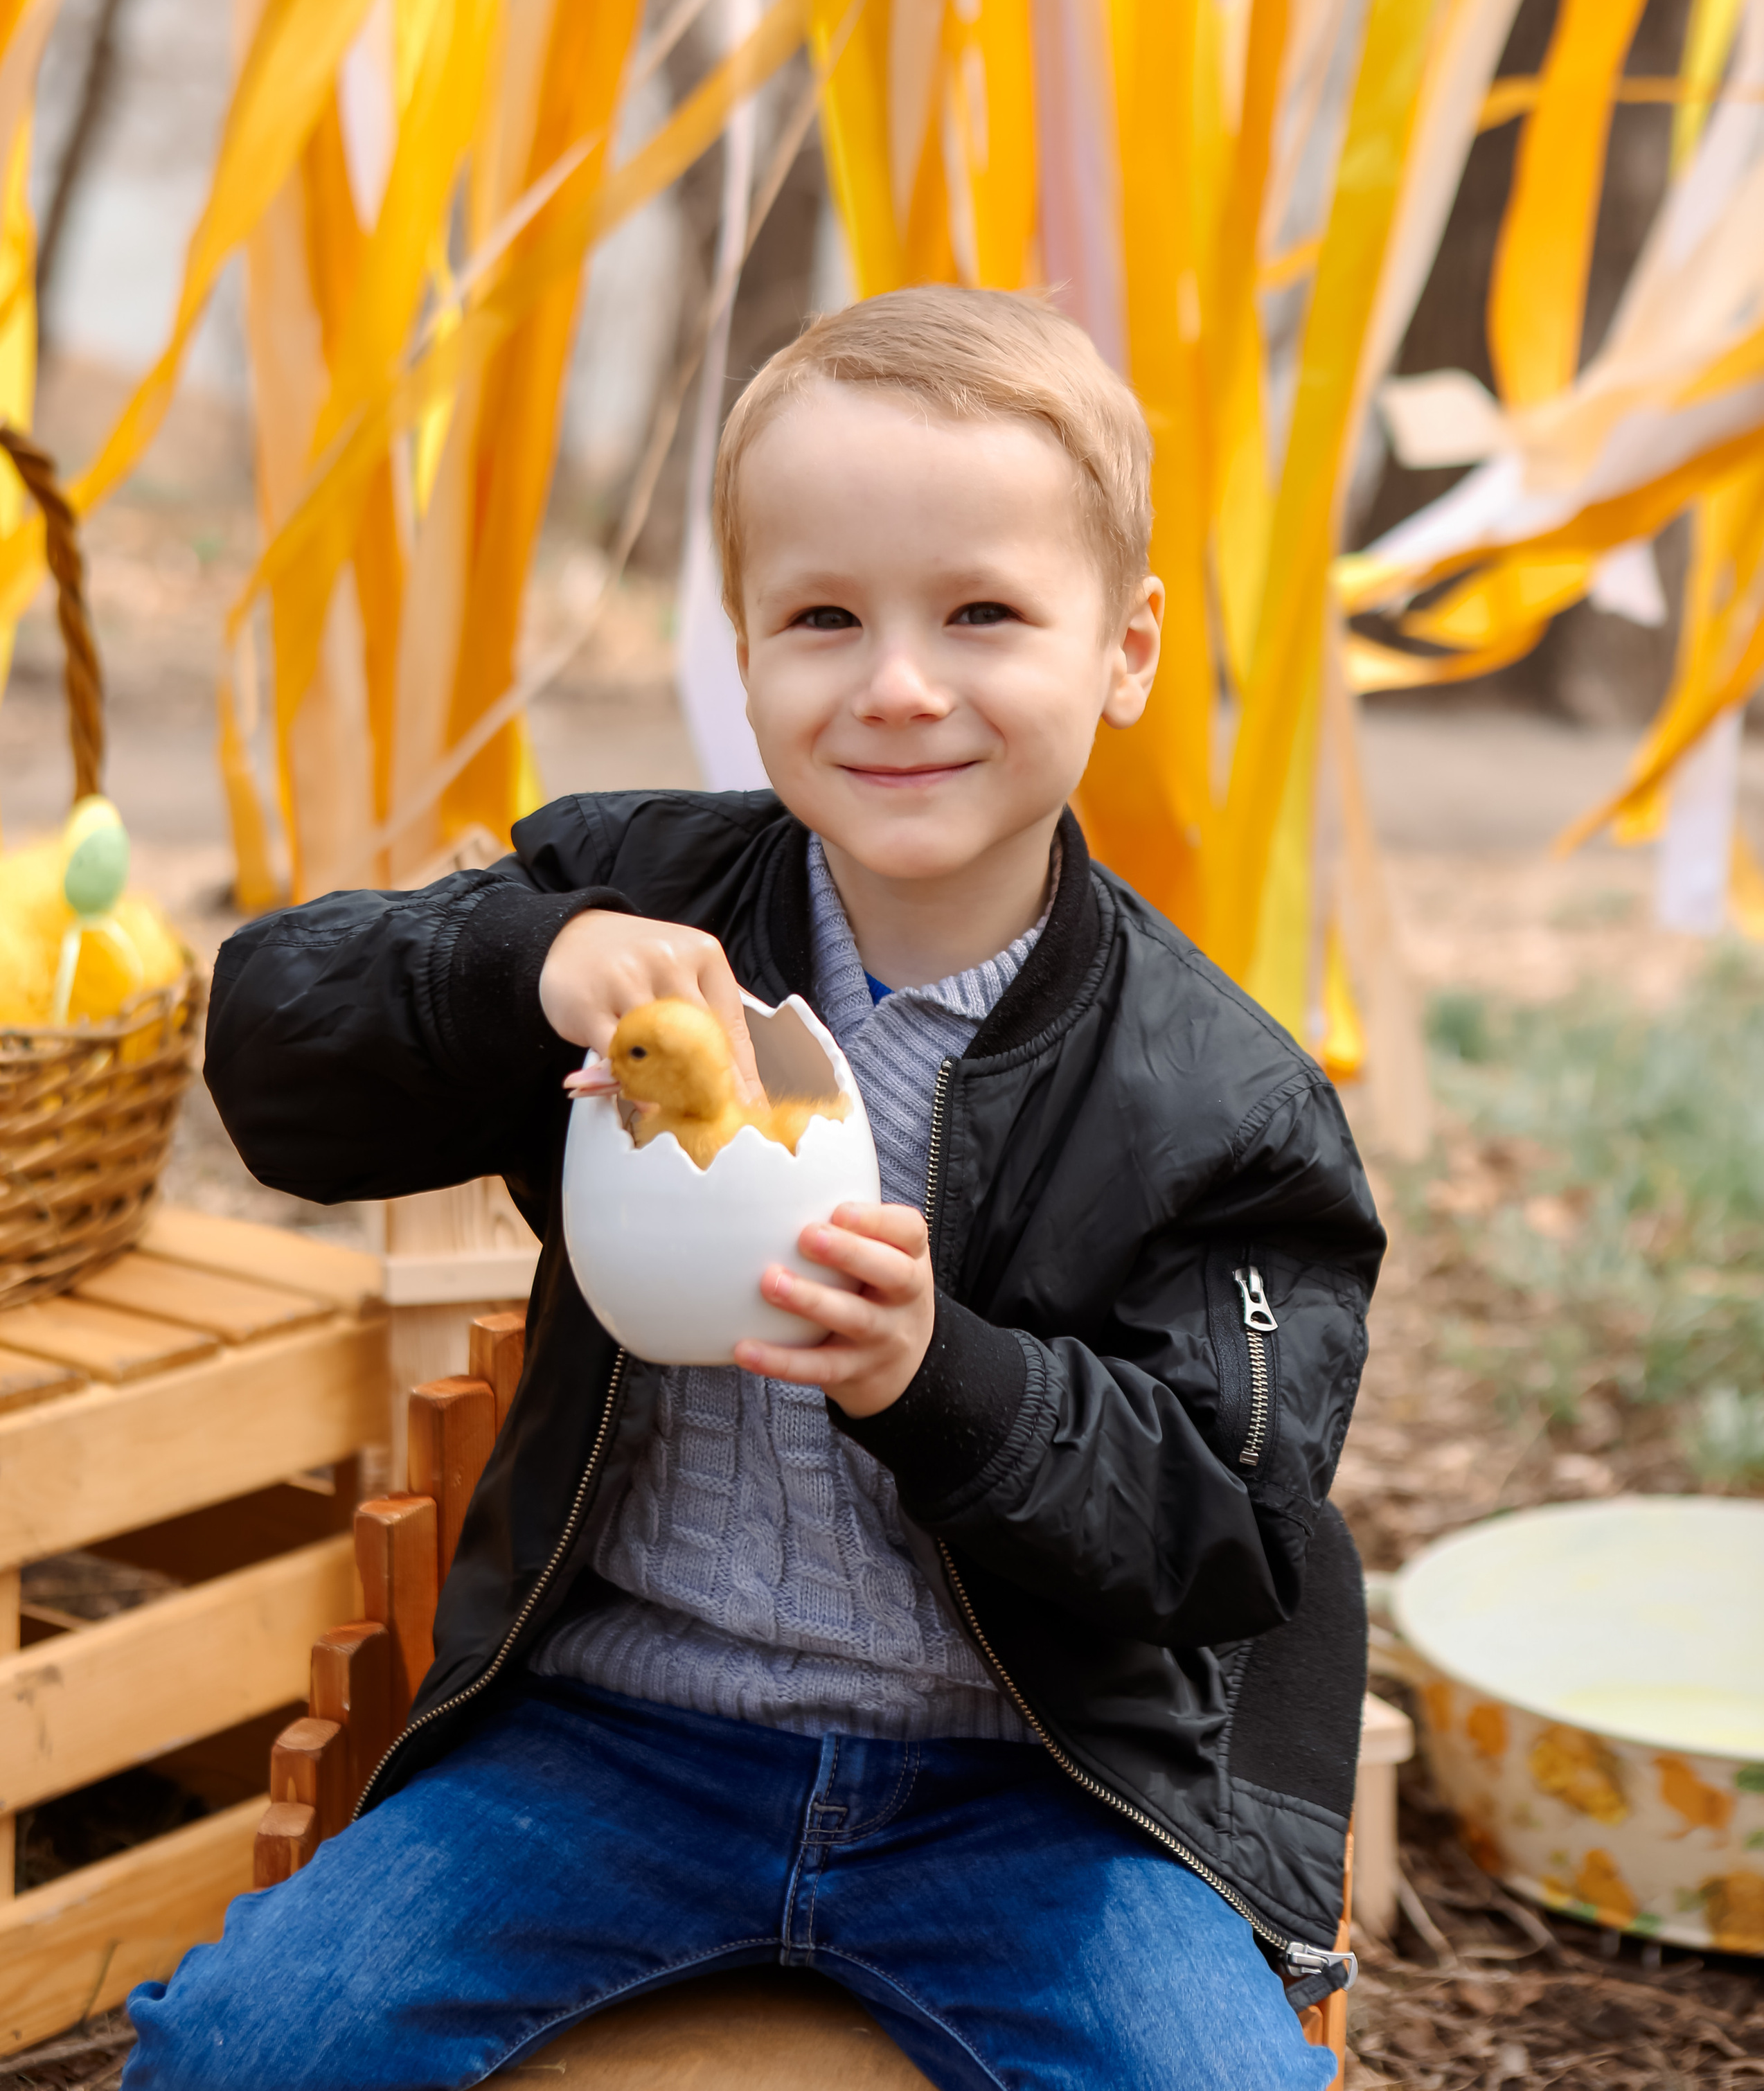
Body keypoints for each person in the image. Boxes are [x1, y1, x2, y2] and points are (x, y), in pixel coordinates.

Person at [127, 287, 1382, 2091]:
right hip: (613, 1743)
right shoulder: (640, 904)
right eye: (821, 617)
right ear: (743, 644)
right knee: (247, 2053)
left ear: (1125, 645)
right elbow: (276, 1056)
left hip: (1028, 1795)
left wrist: (945, 1379)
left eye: (982, 613)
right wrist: (520, 965)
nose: (894, 682)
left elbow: (1234, 1535)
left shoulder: (1218, 1102)